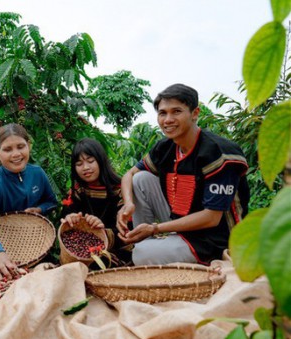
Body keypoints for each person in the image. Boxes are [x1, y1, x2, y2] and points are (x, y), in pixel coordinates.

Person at [116, 84, 249, 265]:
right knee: (140, 178)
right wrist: (128, 205)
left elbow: (211, 217)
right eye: (162, 113)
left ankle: (150, 250)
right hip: (180, 222)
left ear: (195, 113)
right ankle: (145, 242)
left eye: (176, 111)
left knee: (141, 254)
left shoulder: (218, 153)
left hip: (216, 238)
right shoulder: (165, 148)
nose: (168, 119)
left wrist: (155, 228)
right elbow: (129, 175)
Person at [0, 123, 58, 278]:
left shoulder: (38, 174)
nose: (16, 154)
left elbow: (51, 202)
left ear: (29, 146)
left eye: (21, 146)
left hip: (37, 243)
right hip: (7, 245)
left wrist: (40, 209)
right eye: (7, 149)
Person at [61, 138, 131, 265]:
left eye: (90, 161)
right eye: (79, 164)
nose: (85, 168)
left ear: (101, 161)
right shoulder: (77, 191)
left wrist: (103, 231)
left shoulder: (120, 191)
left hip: (116, 253)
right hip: (81, 255)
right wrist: (70, 219)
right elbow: (64, 223)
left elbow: (128, 232)